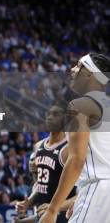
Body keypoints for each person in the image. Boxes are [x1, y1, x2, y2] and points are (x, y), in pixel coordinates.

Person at [40, 53, 110, 223]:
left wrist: (52, 209)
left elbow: (77, 160)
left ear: (90, 74)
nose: (72, 69)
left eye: (79, 65)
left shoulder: (80, 105)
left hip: (99, 190)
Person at [14, 104, 75, 223]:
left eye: (56, 114)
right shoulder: (38, 146)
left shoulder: (69, 149)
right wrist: (29, 201)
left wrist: (54, 207)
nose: (50, 117)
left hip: (62, 214)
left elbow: (79, 193)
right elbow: (41, 184)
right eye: (48, 114)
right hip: (41, 212)